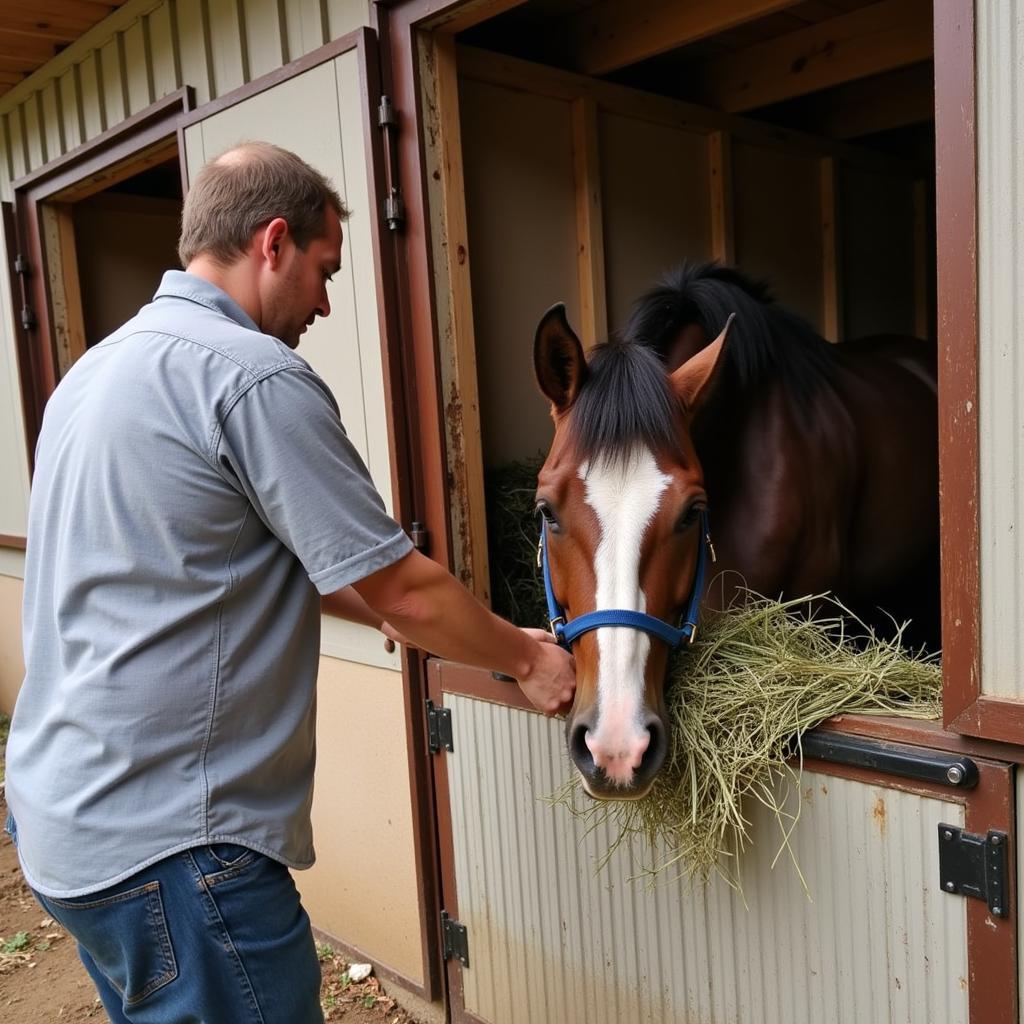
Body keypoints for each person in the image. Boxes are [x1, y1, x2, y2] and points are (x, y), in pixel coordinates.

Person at [4, 141, 575, 1023]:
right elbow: (406, 592)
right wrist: (523, 658)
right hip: (175, 851)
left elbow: (207, 564)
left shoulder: (93, 375)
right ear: (273, 242)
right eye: (322, 268)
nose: (325, 299)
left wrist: (388, 610)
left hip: (64, 827)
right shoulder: (250, 377)